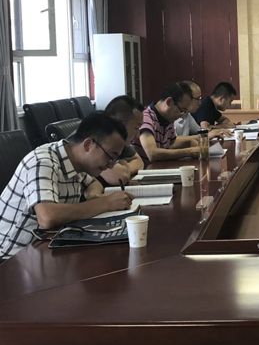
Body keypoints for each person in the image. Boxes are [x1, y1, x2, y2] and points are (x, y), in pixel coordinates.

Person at [0, 112, 133, 260]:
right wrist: (105, 203)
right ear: (88, 145)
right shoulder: (43, 162)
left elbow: (93, 183)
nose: (111, 165)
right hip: (12, 258)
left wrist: (93, 195)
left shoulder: (75, 161)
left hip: (46, 248)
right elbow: (47, 217)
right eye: (110, 157)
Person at [133, 82, 203, 164]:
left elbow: (171, 142)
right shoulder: (146, 118)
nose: (181, 115)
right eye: (181, 110)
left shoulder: (167, 119)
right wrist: (189, 151)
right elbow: (152, 153)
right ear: (169, 102)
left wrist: (188, 142)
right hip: (144, 169)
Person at [97, 95, 145, 186]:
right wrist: (123, 168)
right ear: (120, 125)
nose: (138, 135)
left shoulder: (119, 141)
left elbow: (139, 161)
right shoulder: (96, 140)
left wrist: (124, 168)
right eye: (136, 128)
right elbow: (119, 177)